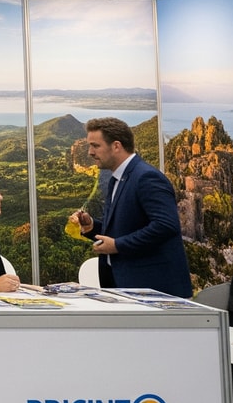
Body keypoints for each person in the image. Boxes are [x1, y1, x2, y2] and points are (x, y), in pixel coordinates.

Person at [71, 116, 192, 297]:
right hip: (128, 288)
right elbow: (124, 226)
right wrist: (92, 228)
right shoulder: (117, 179)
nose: (89, 152)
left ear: (117, 146)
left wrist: (118, 245)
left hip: (154, 292)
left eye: (95, 146)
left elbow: (166, 225)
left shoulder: (146, 178)